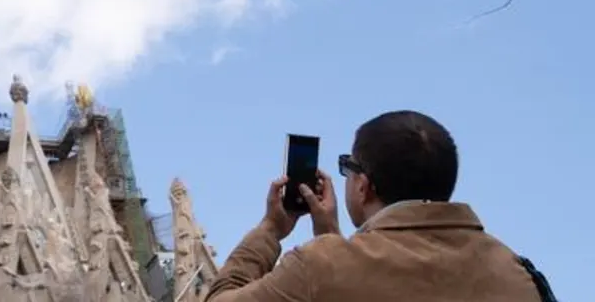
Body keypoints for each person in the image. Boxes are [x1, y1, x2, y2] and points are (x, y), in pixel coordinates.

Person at [204, 110, 554, 301]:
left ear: (364, 185)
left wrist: (270, 230)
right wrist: (330, 241)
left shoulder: (317, 269)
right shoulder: (518, 275)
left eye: (347, 167)